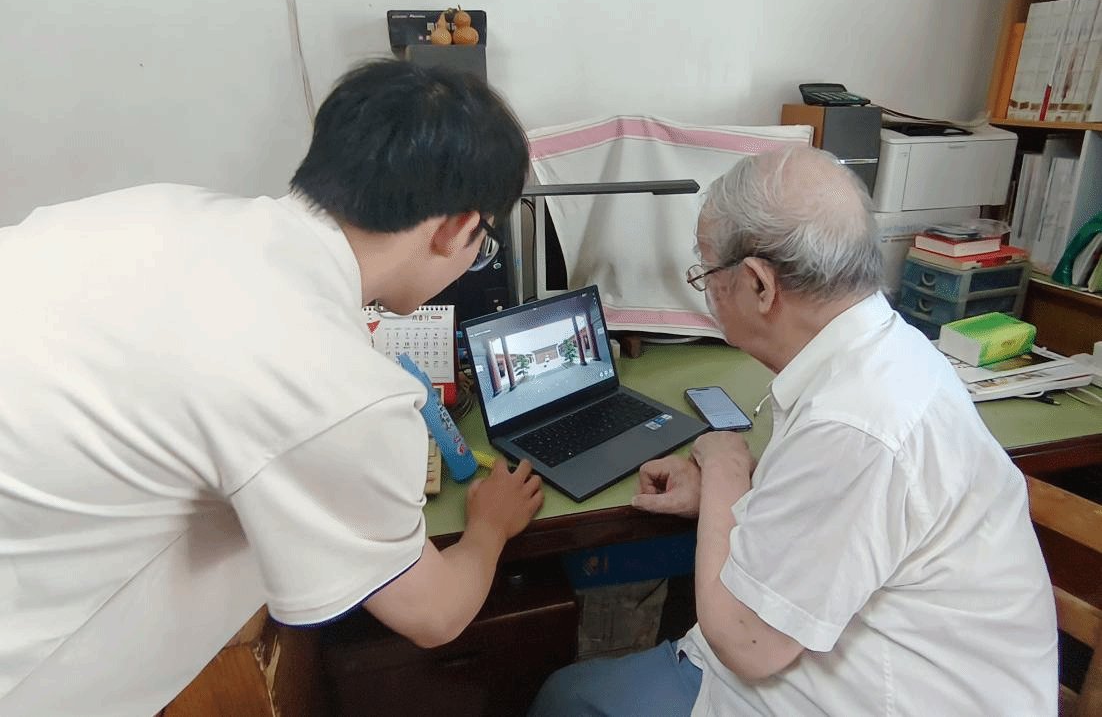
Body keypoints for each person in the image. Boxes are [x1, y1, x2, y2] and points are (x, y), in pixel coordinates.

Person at [0, 58, 544, 717]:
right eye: (485, 240)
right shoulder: (334, 385)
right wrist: (489, 527)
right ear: (457, 228)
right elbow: (433, 614)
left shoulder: (162, 209)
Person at [529, 145, 1058, 716]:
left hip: (874, 691)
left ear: (760, 285)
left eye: (706, 274)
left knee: (566, 698)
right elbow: (835, 510)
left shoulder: (855, 422)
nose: (707, 290)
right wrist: (726, 496)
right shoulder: (885, 350)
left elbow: (746, 645)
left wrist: (725, 466)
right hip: (892, 661)